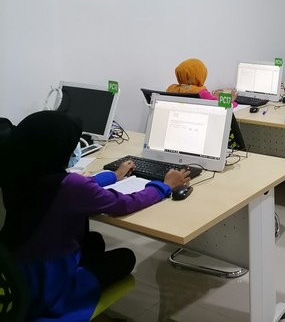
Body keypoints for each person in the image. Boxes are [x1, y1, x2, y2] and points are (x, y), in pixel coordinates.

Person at [0, 110, 190, 321]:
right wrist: (163, 185)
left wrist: (113, 176)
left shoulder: (19, 172)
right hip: (47, 286)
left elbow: (76, 186)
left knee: (94, 241)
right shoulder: (70, 186)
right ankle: (72, 293)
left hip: (16, 269)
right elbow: (123, 204)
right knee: (125, 258)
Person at [167, 58, 237, 105]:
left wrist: (213, 96)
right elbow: (222, 107)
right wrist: (232, 100)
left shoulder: (171, 89)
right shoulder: (200, 92)